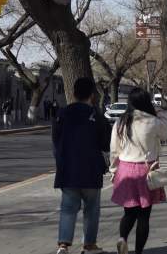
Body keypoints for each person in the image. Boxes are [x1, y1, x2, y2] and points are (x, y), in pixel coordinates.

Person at [52, 78, 111, 254]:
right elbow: (106, 143)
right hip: (91, 170)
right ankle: (89, 245)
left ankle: (63, 245)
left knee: (68, 209)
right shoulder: (97, 115)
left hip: (68, 170)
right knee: (92, 210)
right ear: (92, 95)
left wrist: (61, 162)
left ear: (74, 92)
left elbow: (56, 141)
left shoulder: (62, 114)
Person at [110, 88, 167, 254]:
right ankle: (138, 252)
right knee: (144, 215)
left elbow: (114, 149)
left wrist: (113, 170)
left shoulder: (121, 122)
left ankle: (122, 238)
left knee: (129, 212)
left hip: (125, 170)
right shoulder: (152, 121)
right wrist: (159, 111)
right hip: (146, 170)